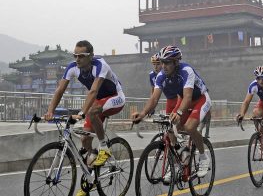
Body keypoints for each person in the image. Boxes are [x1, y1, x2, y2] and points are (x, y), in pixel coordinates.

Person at [44, 40, 125, 196]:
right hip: (97, 102)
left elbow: (93, 91)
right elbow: (60, 89)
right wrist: (50, 111)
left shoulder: (100, 65)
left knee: (92, 112)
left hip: (115, 97)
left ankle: (104, 148)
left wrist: (81, 114)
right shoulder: (72, 68)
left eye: (81, 55)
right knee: (85, 139)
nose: (77, 59)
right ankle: (91, 180)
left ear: (91, 56)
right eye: (75, 55)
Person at [131, 45, 212, 180]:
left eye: (167, 62)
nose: (163, 66)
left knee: (190, 127)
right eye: (162, 62)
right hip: (185, 100)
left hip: (200, 99)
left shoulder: (186, 71)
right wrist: (142, 113)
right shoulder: (161, 76)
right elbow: (154, 98)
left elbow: (187, 97)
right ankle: (176, 161)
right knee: (169, 126)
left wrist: (179, 113)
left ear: (176, 62)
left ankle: (204, 157)